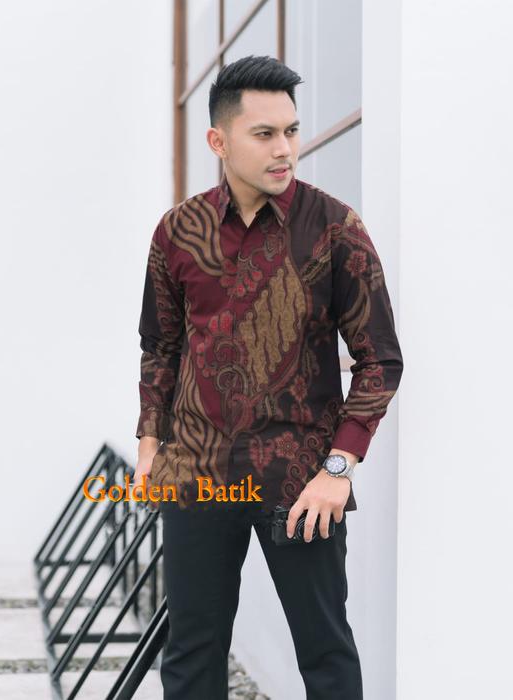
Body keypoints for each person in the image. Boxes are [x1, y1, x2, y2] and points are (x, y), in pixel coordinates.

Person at [132, 54, 403, 700]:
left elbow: (379, 359)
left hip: (302, 480)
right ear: (218, 141)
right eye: (264, 134)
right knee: (191, 654)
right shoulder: (178, 233)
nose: (284, 149)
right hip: (196, 474)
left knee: (325, 654)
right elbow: (160, 347)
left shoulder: (335, 229)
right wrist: (149, 444)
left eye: (291, 130)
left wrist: (338, 469)